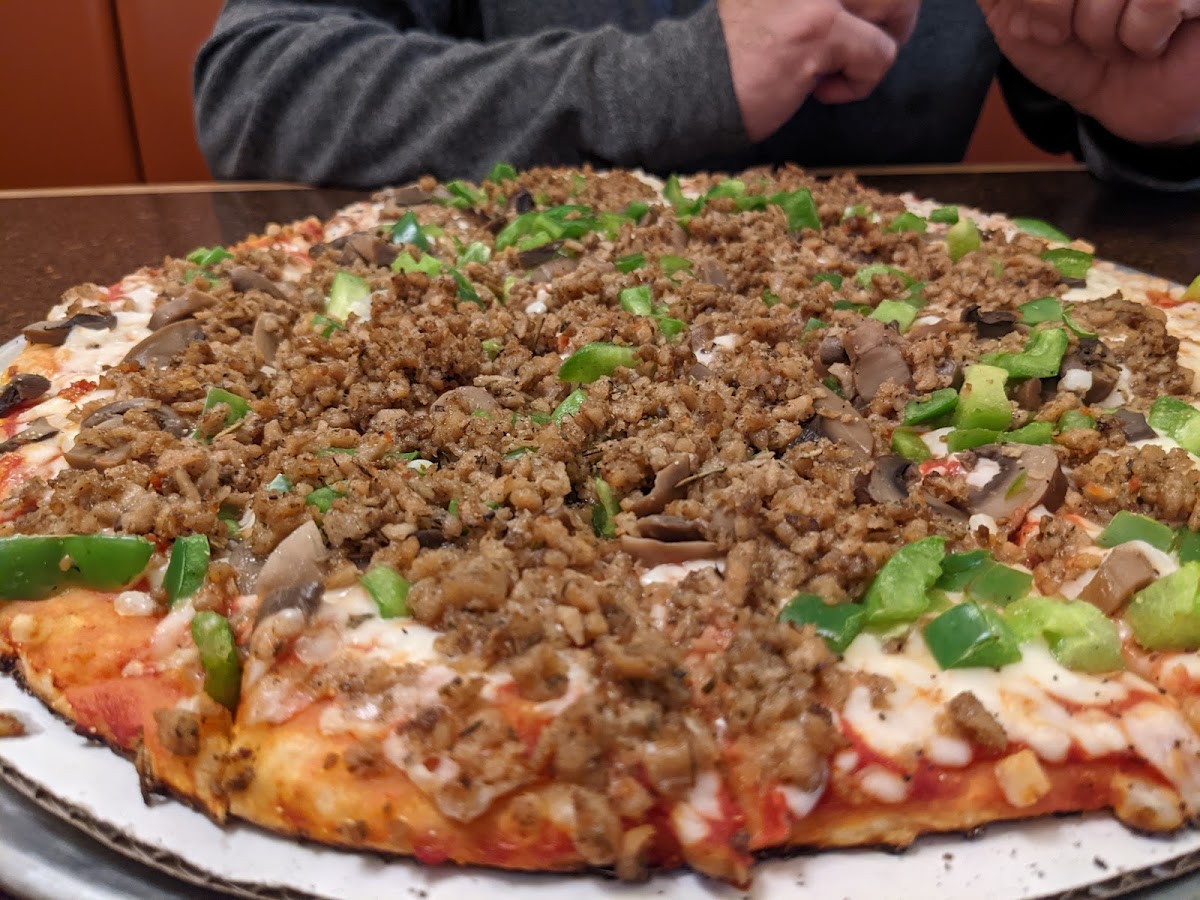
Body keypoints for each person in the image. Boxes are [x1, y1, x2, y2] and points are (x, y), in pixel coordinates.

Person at [193, 0, 1200, 191]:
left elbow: (1107, 104)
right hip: (496, 347)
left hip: (920, 354)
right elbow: (258, 81)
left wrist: (1170, 126)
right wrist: (683, 78)